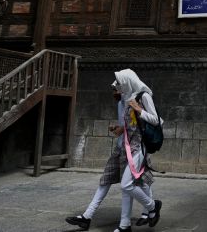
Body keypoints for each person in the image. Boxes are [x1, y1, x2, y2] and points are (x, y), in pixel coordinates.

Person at [66, 83, 154, 230]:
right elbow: (126, 126)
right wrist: (118, 128)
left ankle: (148, 210)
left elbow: (148, 123)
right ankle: (87, 216)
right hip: (121, 148)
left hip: (136, 149)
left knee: (140, 182)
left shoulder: (138, 99)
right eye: (112, 90)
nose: (114, 93)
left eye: (116, 89)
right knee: (106, 180)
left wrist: (138, 111)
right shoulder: (122, 103)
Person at [113, 69, 163, 232]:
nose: (119, 86)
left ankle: (151, 206)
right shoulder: (128, 98)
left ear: (128, 80)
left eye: (121, 82)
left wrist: (139, 110)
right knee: (128, 186)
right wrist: (121, 129)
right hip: (128, 146)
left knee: (126, 185)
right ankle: (124, 225)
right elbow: (132, 125)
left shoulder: (144, 96)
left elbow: (156, 120)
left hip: (139, 147)